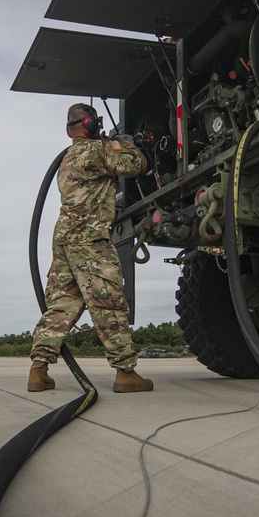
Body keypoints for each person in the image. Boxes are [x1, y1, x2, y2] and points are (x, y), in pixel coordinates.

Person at [29, 103, 154, 393]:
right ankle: (125, 372)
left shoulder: (67, 159)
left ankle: (38, 370)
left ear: (69, 130)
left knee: (62, 303)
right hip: (90, 238)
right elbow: (137, 164)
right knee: (108, 300)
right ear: (91, 126)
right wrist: (125, 144)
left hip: (64, 238)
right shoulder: (97, 151)